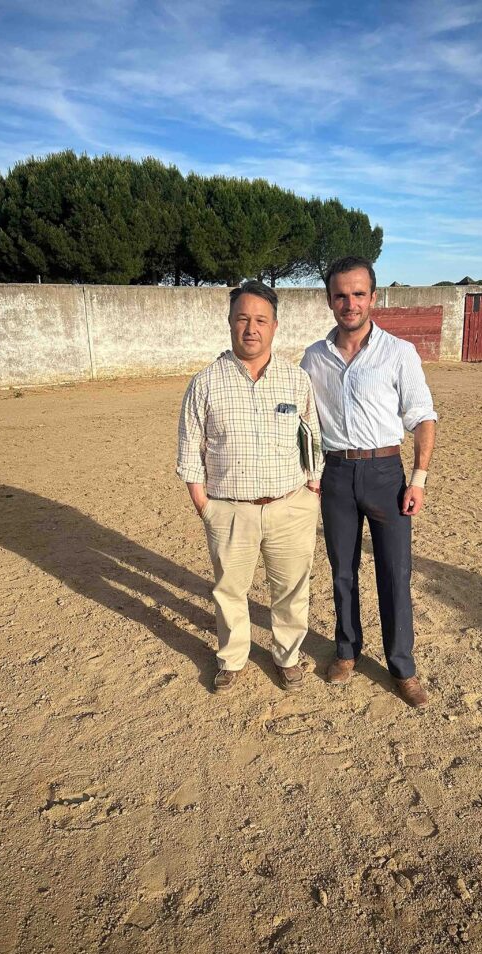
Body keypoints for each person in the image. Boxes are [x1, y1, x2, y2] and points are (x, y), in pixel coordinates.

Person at [300, 257, 437, 709]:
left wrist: (417, 479)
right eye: (341, 294)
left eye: (359, 294)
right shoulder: (313, 358)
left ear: (374, 298)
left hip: (385, 474)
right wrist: (310, 473)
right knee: (342, 571)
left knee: (395, 572)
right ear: (329, 300)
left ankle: (402, 665)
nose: (350, 303)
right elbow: (303, 423)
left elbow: (422, 417)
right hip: (336, 474)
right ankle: (346, 650)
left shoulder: (399, 353)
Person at [177, 280, 323, 694]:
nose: (251, 328)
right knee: (229, 591)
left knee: (292, 589)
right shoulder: (204, 383)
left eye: (261, 320)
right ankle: (232, 658)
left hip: (290, 505)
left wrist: (312, 490)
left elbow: (312, 436)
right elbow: (190, 448)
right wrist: (204, 504)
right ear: (229, 323)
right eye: (242, 318)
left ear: (275, 326)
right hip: (229, 510)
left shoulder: (296, 380)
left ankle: (288, 656)